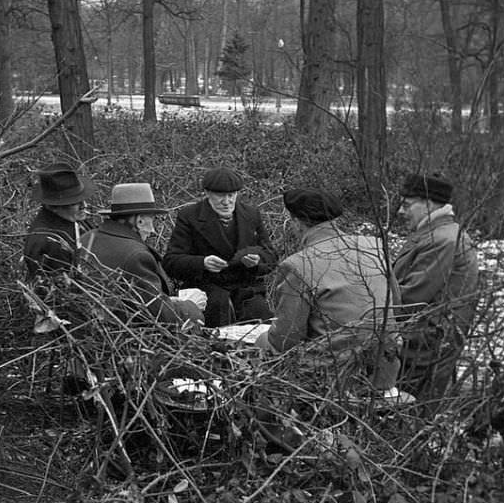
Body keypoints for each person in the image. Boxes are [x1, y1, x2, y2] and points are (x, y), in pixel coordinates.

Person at [257, 187, 402, 396]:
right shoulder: (375, 247)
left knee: (262, 343)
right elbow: (397, 306)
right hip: (384, 370)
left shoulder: (299, 265)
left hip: (331, 376)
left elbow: (286, 341)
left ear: (297, 223)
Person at [393, 172, 479, 401]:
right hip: (422, 344)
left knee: (407, 414)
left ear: (429, 204)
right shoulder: (437, 234)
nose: (401, 211)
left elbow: (409, 299)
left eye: (407, 205)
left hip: (422, 349)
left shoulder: (441, 240)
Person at [162, 166, 278, 327]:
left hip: (246, 290)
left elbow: (271, 256)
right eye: (220, 196)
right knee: (216, 334)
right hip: (208, 290)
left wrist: (257, 261)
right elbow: (171, 262)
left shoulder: (251, 215)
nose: (227, 201)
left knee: (262, 329)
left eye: (231, 195)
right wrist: (202, 263)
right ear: (207, 193)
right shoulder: (189, 216)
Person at [79, 182, 205, 327]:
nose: (152, 230)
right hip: (124, 340)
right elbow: (160, 316)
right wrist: (191, 306)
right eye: (151, 219)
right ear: (139, 221)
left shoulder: (86, 238)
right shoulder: (138, 256)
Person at [23, 161, 94, 281]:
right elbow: (64, 292)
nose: (84, 205)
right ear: (53, 206)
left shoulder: (70, 220)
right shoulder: (51, 244)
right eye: (74, 202)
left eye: (83, 199)